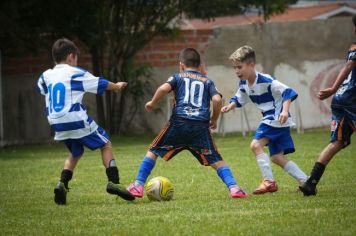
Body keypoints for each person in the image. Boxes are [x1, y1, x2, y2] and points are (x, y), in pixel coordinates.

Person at [127, 48, 248, 199]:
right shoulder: (207, 81)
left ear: (181, 65)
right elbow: (217, 100)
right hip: (200, 127)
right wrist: (214, 120)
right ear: (199, 65)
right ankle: (234, 188)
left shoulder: (177, 77)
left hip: (178, 123)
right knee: (215, 159)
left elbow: (163, 88)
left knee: (153, 150)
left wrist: (152, 103)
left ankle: (138, 186)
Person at [36, 38, 135, 205]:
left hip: (56, 123)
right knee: (105, 144)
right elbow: (99, 83)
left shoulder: (46, 75)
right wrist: (117, 86)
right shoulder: (75, 73)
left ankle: (62, 184)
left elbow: (42, 88)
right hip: (74, 118)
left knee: (76, 152)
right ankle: (114, 182)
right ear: (70, 56)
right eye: (76, 58)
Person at [221, 45, 307, 194]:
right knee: (276, 157)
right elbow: (239, 97)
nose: (236, 71)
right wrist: (230, 105)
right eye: (234, 68)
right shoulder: (244, 83)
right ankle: (305, 181)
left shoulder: (266, 80)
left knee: (255, 145)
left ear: (251, 65)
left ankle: (269, 182)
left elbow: (288, 92)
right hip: (276, 121)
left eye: (239, 67)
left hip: (275, 117)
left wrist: (285, 111)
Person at [299, 15, 356, 196]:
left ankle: (311, 182)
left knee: (337, 142)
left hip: (340, 100)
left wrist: (334, 91)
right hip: (350, 99)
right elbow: (348, 67)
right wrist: (332, 88)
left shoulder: (353, 47)